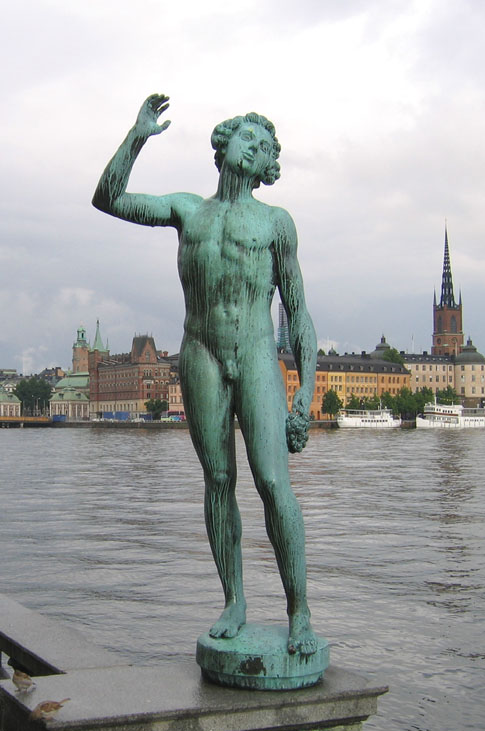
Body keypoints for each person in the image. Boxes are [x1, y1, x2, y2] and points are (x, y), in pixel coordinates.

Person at [93, 94, 319, 655]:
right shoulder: (188, 211)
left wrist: (306, 392)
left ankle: (299, 612)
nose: (252, 145)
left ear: (265, 164)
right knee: (218, 480)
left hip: (258, 354)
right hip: (201, 355)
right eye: (246, 135)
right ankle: (234, 600)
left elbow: (298, 313)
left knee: (273, 482)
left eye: (261, 144)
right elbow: (108, 198)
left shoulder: (276, 223)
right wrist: (138, 135)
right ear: (224, 145)